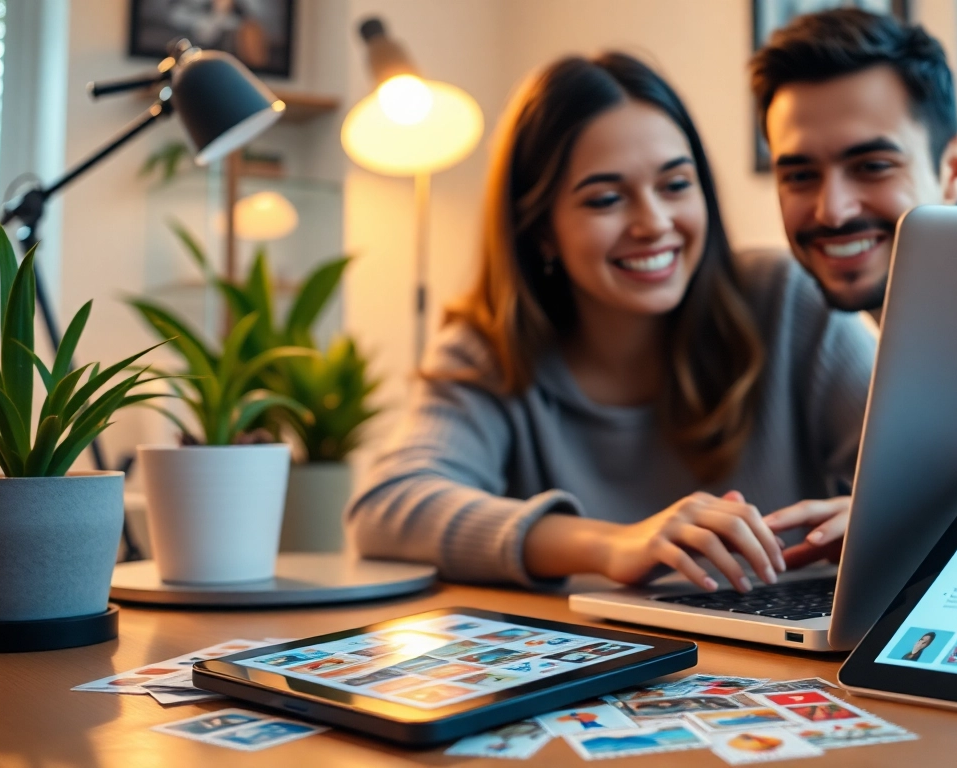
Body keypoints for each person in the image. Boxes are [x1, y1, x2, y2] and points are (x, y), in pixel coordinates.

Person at [346, 52, 873, 593]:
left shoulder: (788, 301)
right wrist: (610, 544)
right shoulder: (489, 347)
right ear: (541, 230)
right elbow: (389, 505)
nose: (654, 224)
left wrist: (875, 516)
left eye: (675, 185)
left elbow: (935, 478)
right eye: (606, 199)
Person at [751, 8, 957, 562]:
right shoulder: (856, 330)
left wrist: (915, 521)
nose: (832, 211)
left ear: (954, 170)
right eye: (800, 175)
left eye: (872, 165)